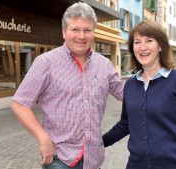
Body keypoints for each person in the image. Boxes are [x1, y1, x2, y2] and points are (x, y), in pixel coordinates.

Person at [11, 2, 125, 169]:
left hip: (93, 159)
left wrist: (156, 80)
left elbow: (126, 93)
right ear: (64, 32)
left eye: (87, 30)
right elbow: (20, 104)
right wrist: (43, 139)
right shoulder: (46, 62)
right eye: (75, 29)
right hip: (59, 159)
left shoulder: (104, 64)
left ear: (93, 32)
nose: (81, 36)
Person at [103, 20, 176, 169]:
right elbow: (125, 124)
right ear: (132, 48)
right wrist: (99, 142)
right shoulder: (130, 85)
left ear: (160, 46)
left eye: (149, 40)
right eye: (137, 42)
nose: (143, 47)